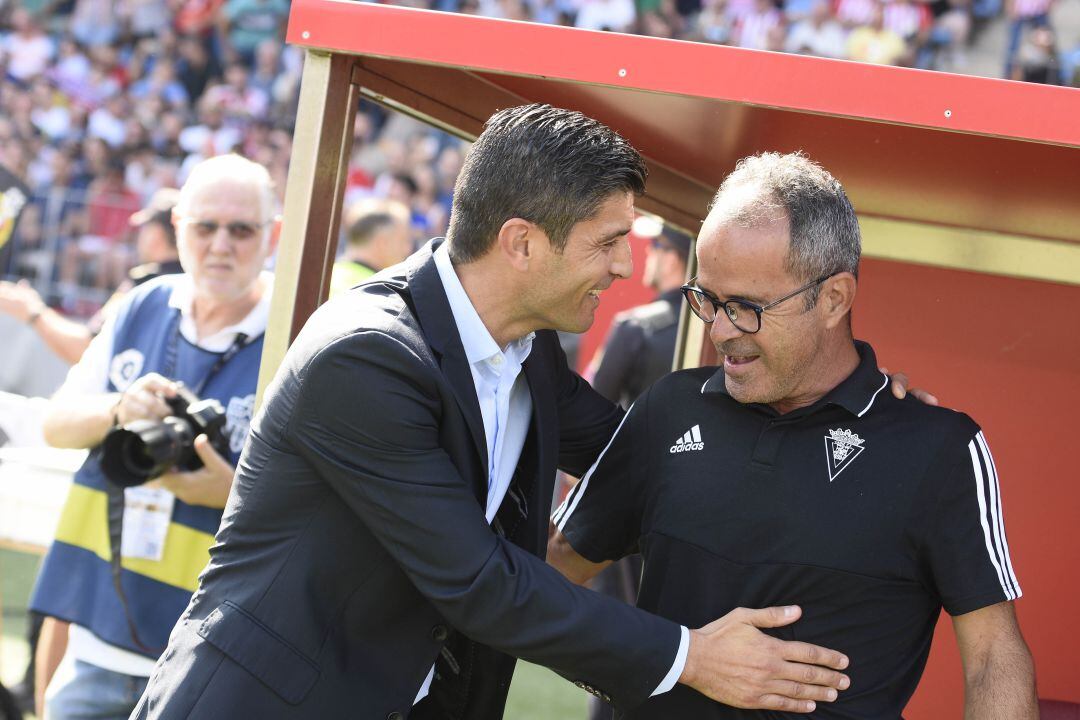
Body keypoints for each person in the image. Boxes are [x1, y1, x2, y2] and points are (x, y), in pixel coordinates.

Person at [132, 105, 858, 720]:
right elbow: (483, 585)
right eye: (607, 242)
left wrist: (851, 403)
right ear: (521, 243)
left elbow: (639, 453)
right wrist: (690, 655)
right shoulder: (364, 360)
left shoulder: (528, 347)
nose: (625, 268)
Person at [549, 152, 1037, 719]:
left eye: (747, 307)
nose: (721, 330)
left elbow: (993, 657)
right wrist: (667, 663)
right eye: (707, 299)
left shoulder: (940, 450)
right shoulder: (668, 409)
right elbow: (553, 580)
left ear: (834, 299)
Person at [27, 153, 280, 720]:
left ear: (272, 235)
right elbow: (54, 424)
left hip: (208, 654)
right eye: (205, 226)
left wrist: (231, 491)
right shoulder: (142, 303)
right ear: (178, 227)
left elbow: (322, 500)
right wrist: (120, 409)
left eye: (241, 229)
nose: (221, 245)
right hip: (97, 630)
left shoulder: (293, 333)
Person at [581, 220, 690, 720]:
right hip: (699, 517)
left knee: (621, 640)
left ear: (673, 257)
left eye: (655, 247)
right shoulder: (725, 331)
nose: (643, 256)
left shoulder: (636, 326)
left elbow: (586, 422)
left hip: (629, 514)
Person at [0, 188, 184, 366]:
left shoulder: (147, 283)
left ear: (156, 235)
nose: (140, 236)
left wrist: (32, 311)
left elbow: (88, 350)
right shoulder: (188, 283)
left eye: (145, 228)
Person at [328, 197, 413, 297]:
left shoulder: (325, 278)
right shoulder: (379, 292)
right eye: (403, 240)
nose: (408, 249)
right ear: (382, 243)